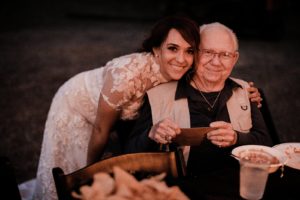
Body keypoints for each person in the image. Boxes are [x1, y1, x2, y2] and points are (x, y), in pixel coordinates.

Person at [33, 15, 201, 200]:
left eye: (189, 51)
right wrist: (93, 175)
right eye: (173, 48)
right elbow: (100, 130)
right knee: (76, 173)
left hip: (110, 119)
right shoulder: (125, 76)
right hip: (76, 104)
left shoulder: (181, 76)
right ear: (156, 50)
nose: (181, 59)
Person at [124, 22, 272, 188]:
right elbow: (129, 154)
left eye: (225, 54)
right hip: (180, 190)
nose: (216, 62)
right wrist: (151, 134)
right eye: (208, 52)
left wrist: (237, 138)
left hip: (237, 187)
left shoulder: (245, 91)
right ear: (194, 54)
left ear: (234, 58)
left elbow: (267, 143)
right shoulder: (158, 95)